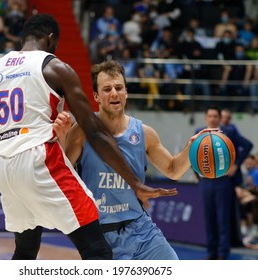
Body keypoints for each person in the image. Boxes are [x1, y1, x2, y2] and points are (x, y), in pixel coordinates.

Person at [0, 13, 177, 260]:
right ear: (50, 39)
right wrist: (135, 183)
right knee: (98, 250)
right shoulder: (54, 67)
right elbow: (94, 131)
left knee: (26, 249)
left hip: (5, 169)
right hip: (40, 161)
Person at [54, 60, 212, 260]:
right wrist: (61, 138)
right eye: (107, 89)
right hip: (100, 236)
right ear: (96, 96)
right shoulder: (81, 131)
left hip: (142, 230)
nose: (114, 93)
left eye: (119, 88)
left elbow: (173, 170)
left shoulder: (144, 133)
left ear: (126, 92)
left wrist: (192, 148)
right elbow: (62, 173)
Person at [195, 106, 253, 260]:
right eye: (210, 116)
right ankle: (211, 252)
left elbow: (248, 145)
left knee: (223, 218)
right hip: (206, 181)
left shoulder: (230, 132)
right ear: (206, 117)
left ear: (220, 118)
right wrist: (197, 173)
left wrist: (236, 165)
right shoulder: (199, 133)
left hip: (223, 182)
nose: (212, 119)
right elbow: (192, 154)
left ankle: (223, 253)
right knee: (209, 218)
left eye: (215, 116)